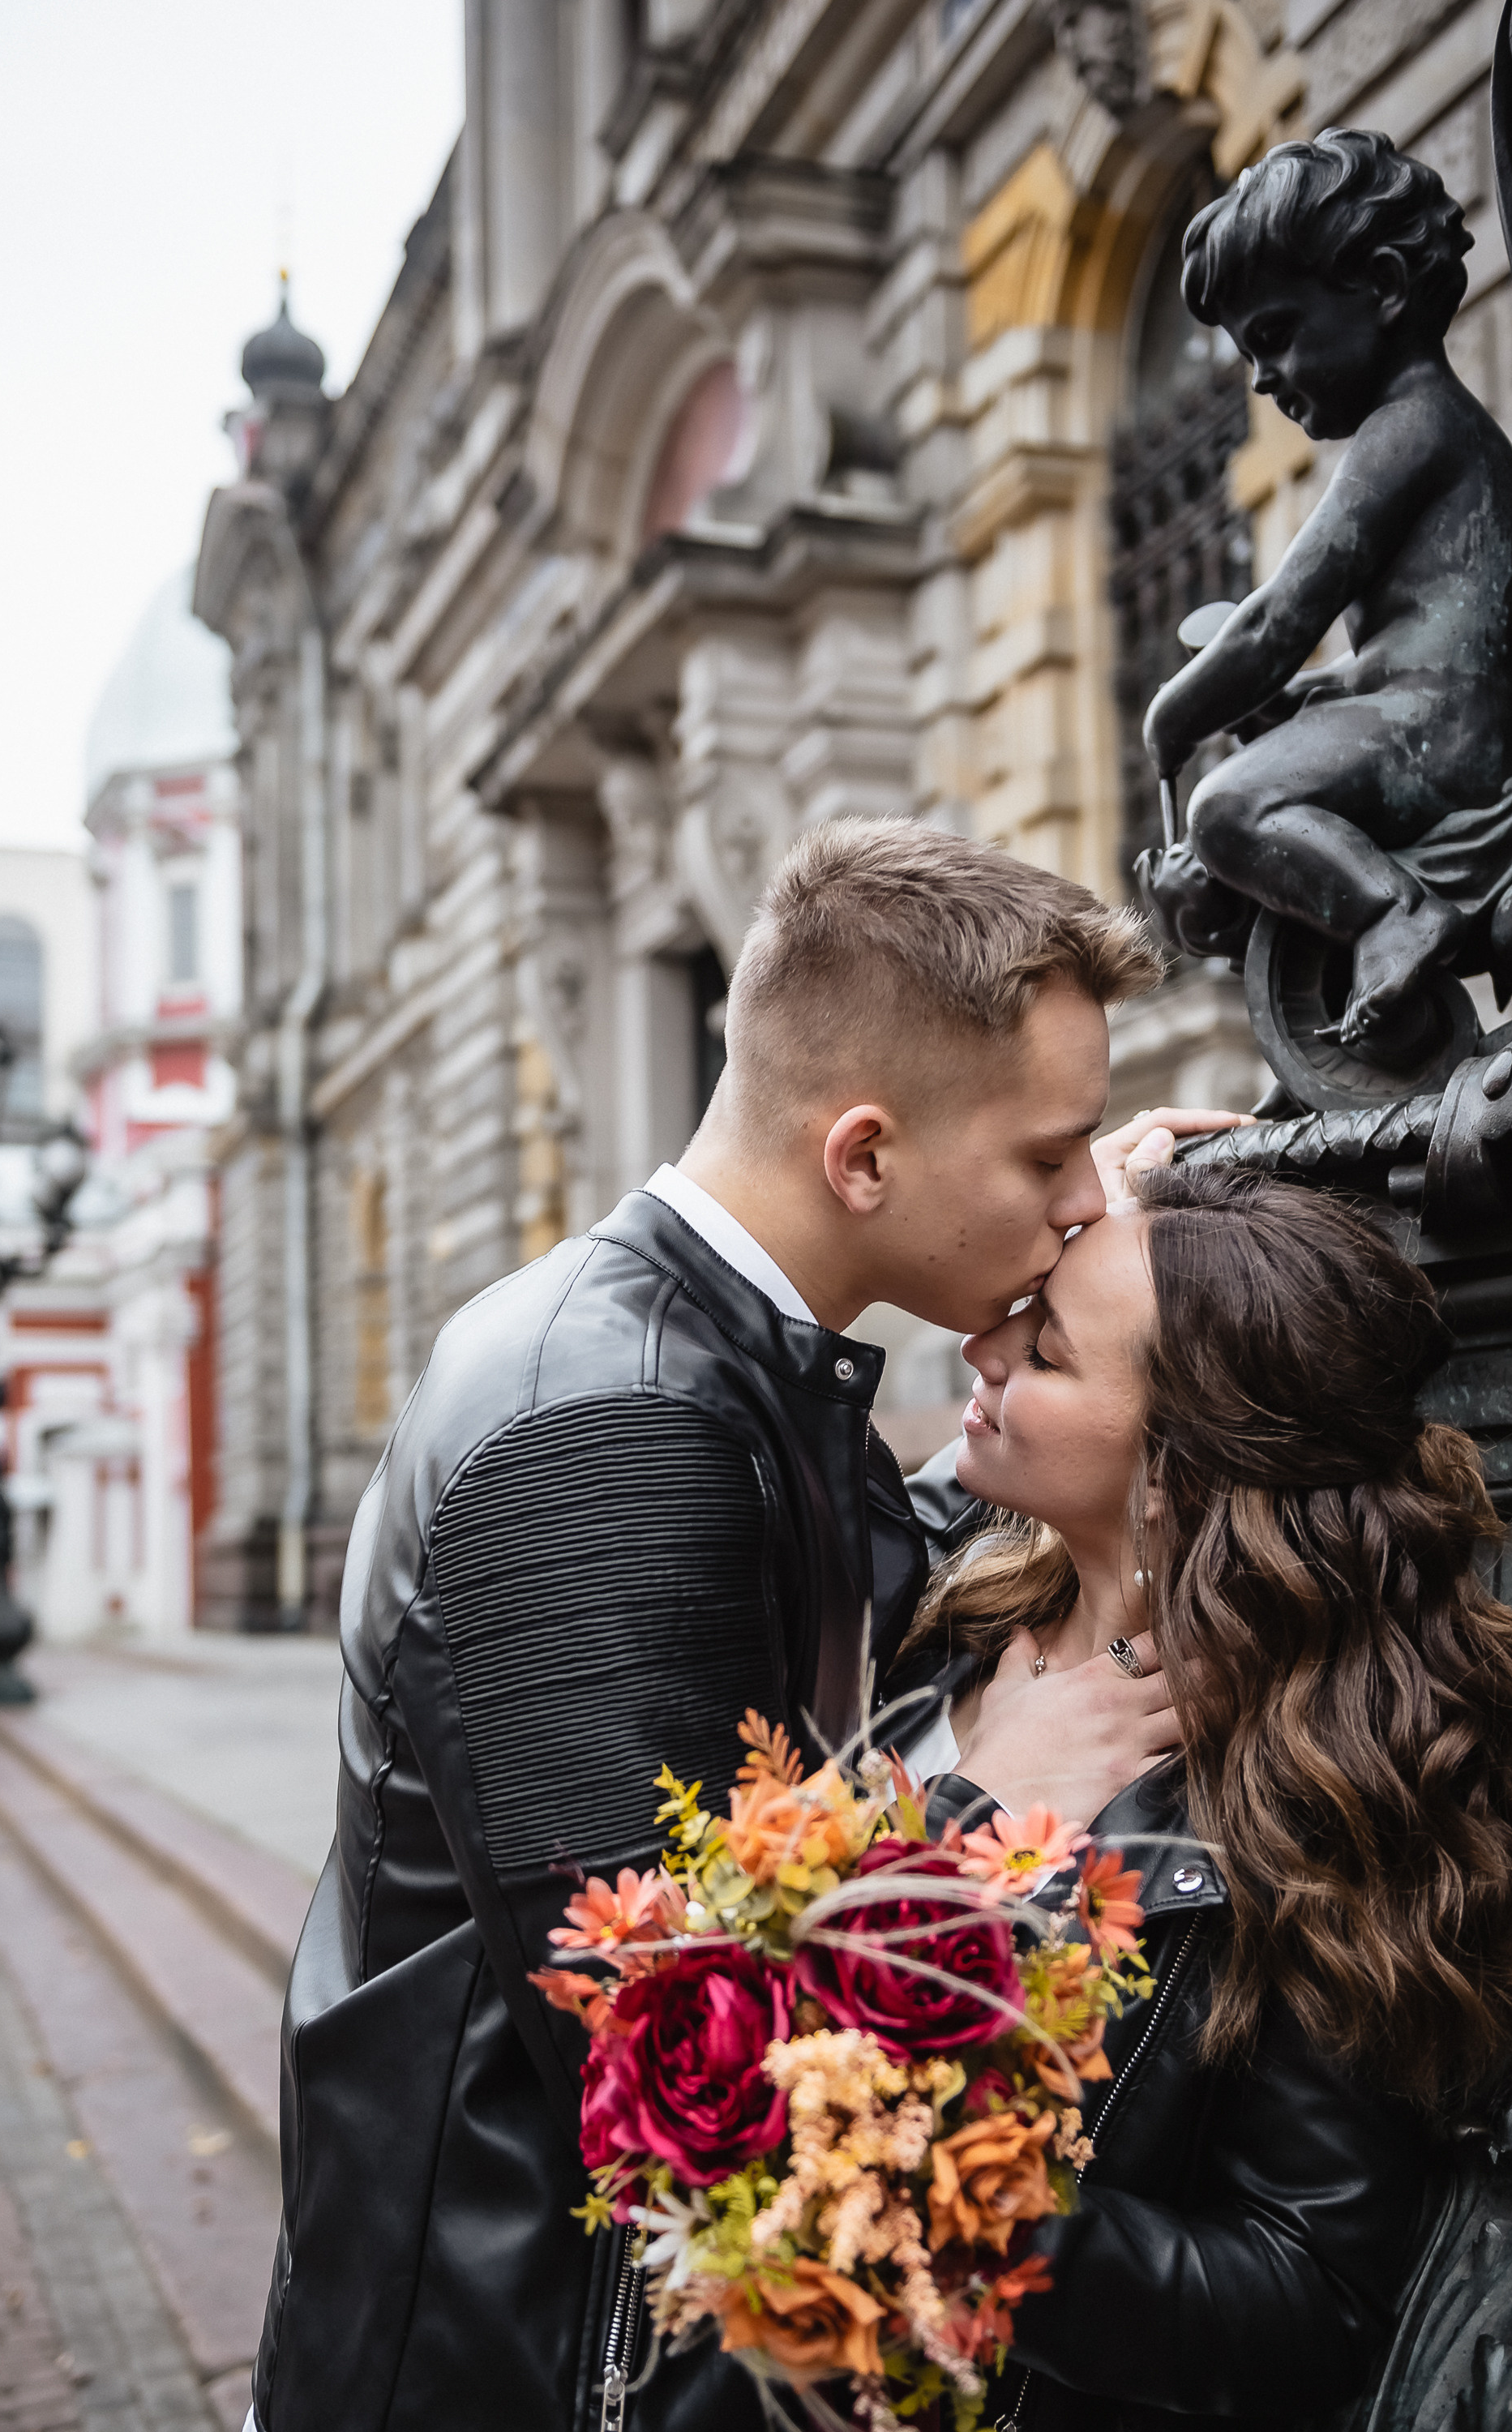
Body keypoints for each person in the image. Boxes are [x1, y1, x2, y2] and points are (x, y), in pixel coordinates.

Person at [244, 816, 1241, 2432]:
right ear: (864, 1158)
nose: (1079, 1202)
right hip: (517, 2371)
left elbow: (827, 1570)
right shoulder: (613, 1430)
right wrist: (976, 1808)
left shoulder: (706, 1353)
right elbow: (673, 2039)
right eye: (1046, 1158)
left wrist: (1100, 1304)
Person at [891, 1162, 1512, 2432]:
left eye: (1046, 1349)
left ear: (1173, 1472)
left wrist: (949, 2201)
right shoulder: (947, 1608)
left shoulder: (1306, 1798)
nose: (983, 1348)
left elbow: (1303, 2297)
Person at [1136, 130, 1512, 1051]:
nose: (1261, 379)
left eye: (1274, 336)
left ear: (1381, 285)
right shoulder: (1420, 429)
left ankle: (1392, 913)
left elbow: (1277, 619)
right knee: (1257, 821)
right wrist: (1300, 701)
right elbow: (1400, 653)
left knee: (1226, 808)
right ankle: (1323, 1038)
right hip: (1427, 719)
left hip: (1448, 740)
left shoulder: (1412, 427)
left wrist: (1176, 713)